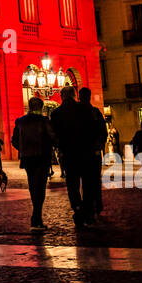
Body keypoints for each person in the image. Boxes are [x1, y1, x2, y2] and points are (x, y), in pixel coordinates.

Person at [12, 97, 57, 231]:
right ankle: (36, 217)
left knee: (33, 186)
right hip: (42, 157)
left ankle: (36, 217)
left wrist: (23, 149)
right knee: (41, 187)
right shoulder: (44, 121)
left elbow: (14, 140)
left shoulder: (20, 122)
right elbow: (53, 138)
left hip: (27, 158)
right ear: (41, 107)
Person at [48, 87, 87, 225]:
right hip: (84, 151)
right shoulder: (83, 109)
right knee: (86, 181)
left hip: (68, 152)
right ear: (74, 95)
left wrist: (59, 147)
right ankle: (87, 208)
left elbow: (53, 134)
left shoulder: (56, 113)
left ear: (62, 96)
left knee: (72, 182)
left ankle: (77, 207)